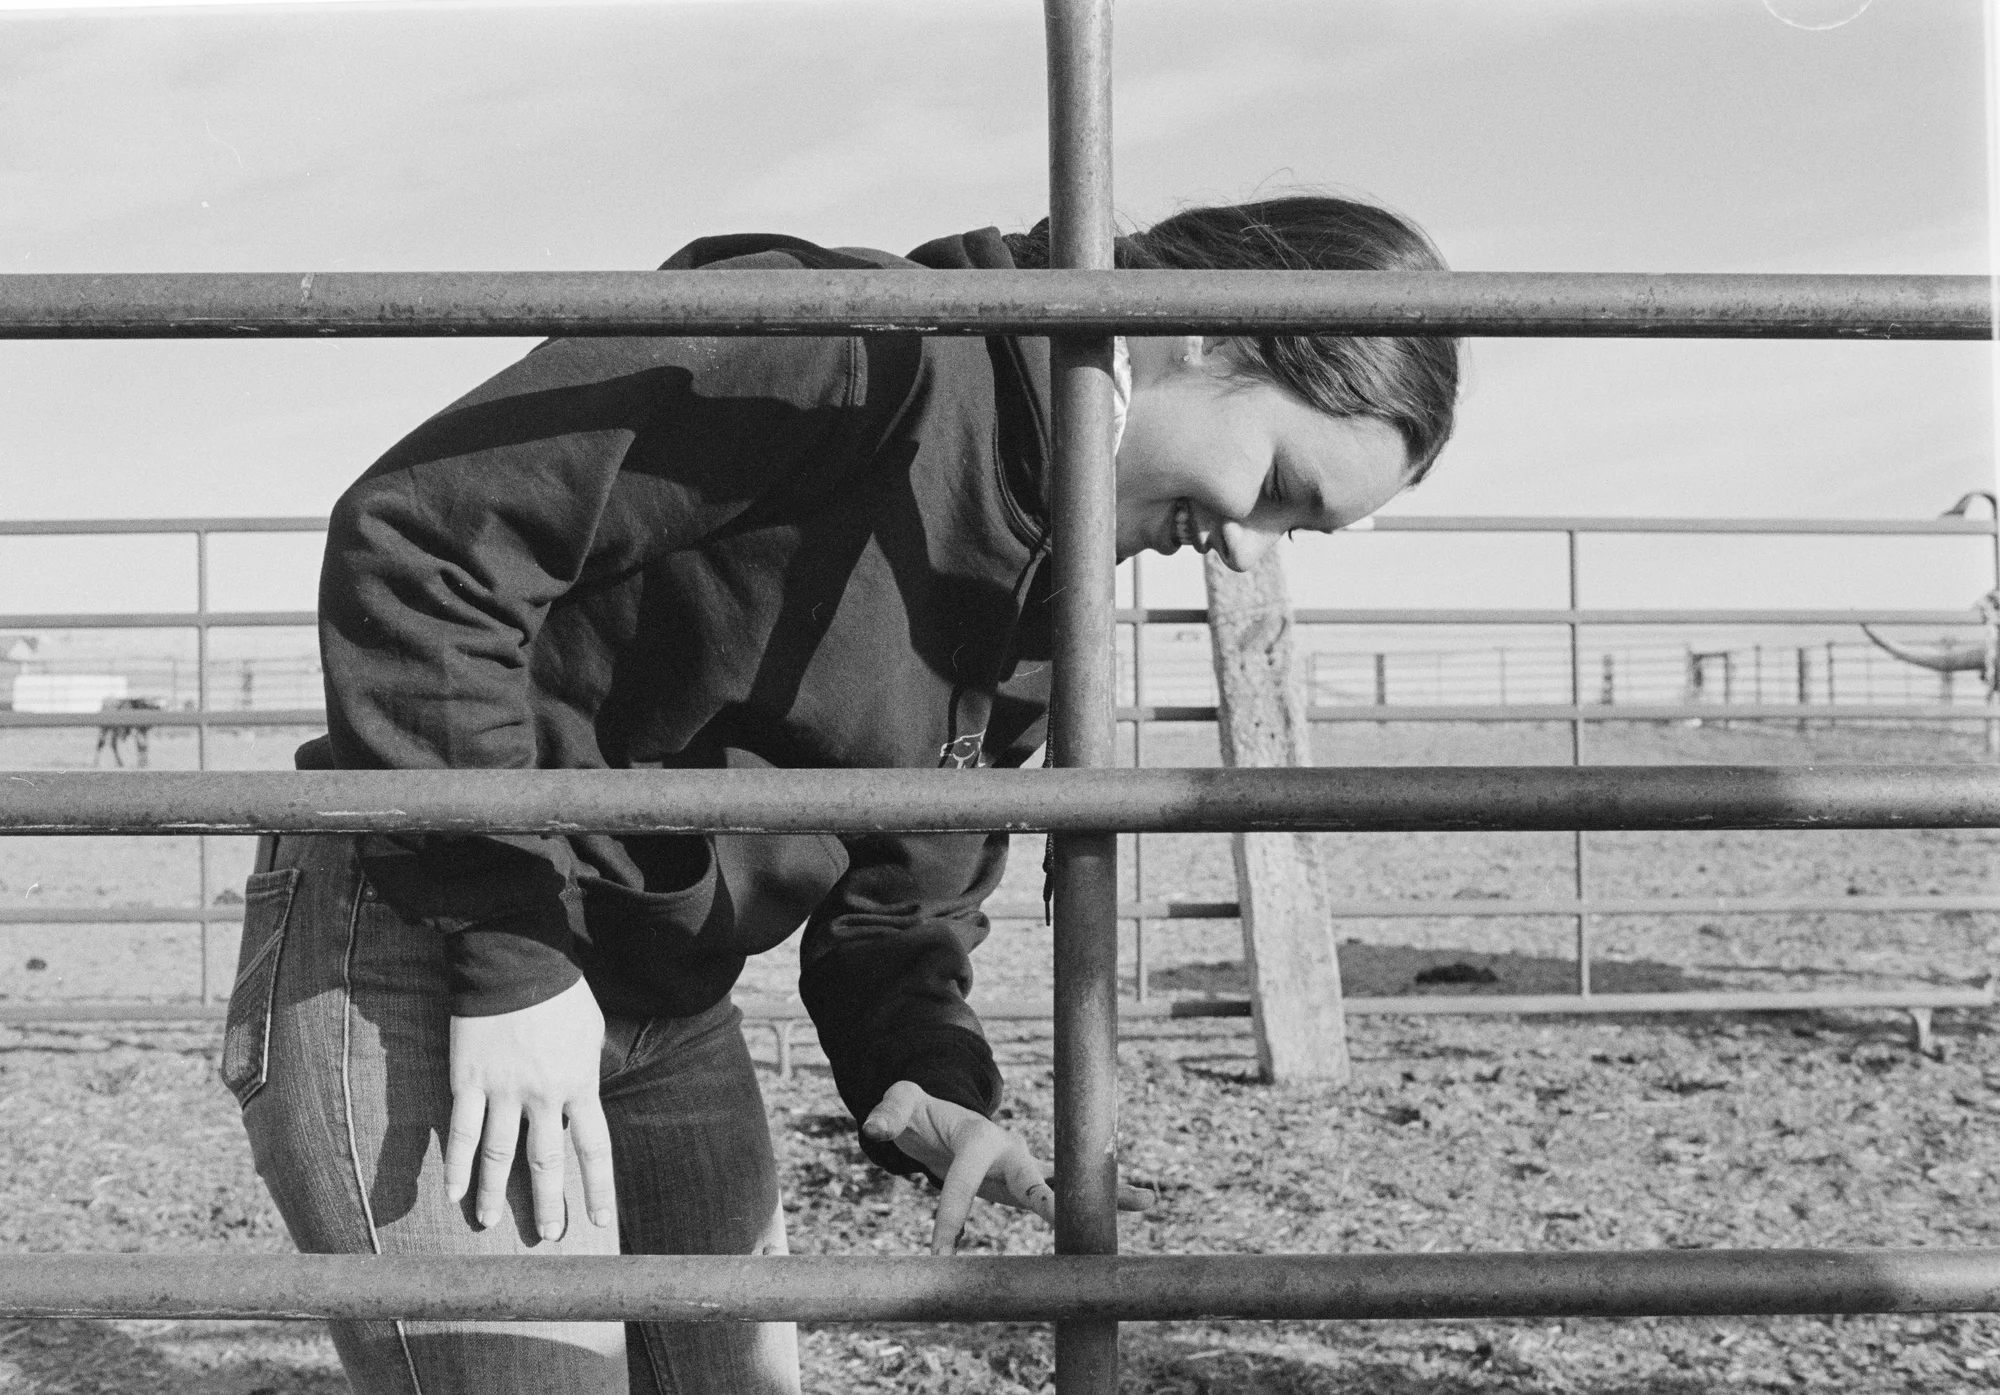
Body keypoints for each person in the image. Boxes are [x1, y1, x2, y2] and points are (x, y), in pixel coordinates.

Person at [218, 195, 1458, 1395]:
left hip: (659, 994)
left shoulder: (1052, 581)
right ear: (1207, 335)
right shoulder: (857, 347)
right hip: (431, 944)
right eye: (1284, 486)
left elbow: (909, 886)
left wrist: (922, 1081)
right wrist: (511, 950)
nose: (1248, 548)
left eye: (1305, 531)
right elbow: (424, 544)